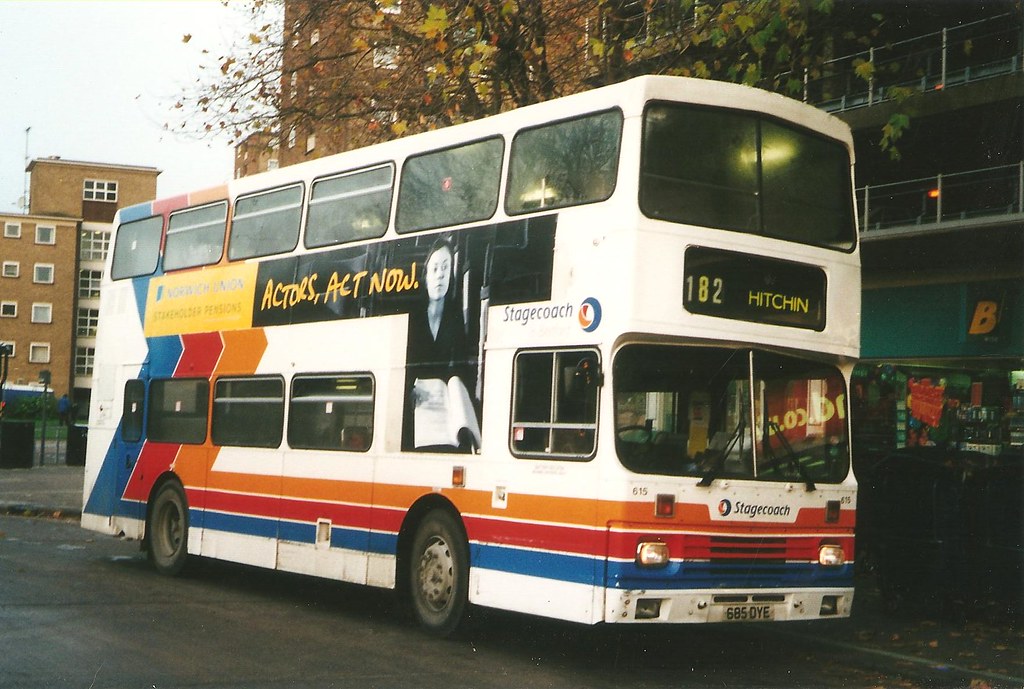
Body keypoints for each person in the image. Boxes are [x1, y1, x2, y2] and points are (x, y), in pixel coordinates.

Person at [402, 237, 480, 451]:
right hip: (415, 422)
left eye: (446, 268)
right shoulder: (412, 319)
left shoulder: (458, 320)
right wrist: (407, 390)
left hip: (447, 425)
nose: (440, 275)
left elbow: (463, 370)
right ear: (426, 275)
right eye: (435, 268)